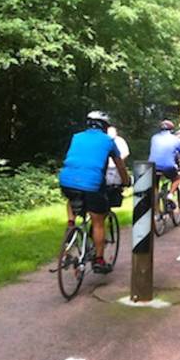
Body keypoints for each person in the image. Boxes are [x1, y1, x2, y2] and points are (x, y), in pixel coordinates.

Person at [59, 111, 130, 274]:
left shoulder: (76, 137)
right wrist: (126, 181)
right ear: (105, 126)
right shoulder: (109, 141)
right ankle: (99, 260)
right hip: (92, 184)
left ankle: (71, 225)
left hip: (66, 180)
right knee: (98, 221)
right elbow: (120, 166)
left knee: (72, 198)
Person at [148, 119, 180, 205]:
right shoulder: (175, 139)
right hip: (168, 166)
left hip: (152, 166)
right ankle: (170, 194)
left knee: (155, 186)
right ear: (172, 130)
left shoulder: (154, 138)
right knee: (177, 179)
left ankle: (157, 213)